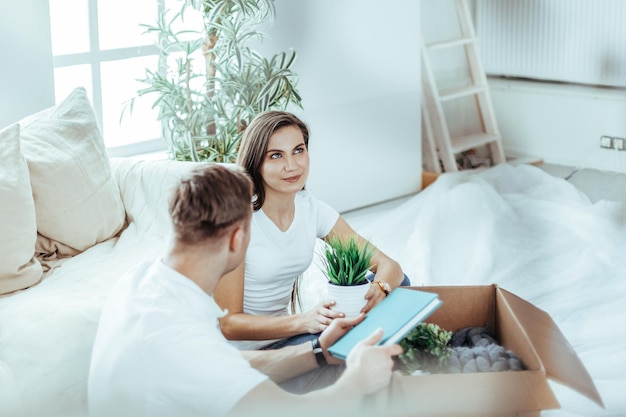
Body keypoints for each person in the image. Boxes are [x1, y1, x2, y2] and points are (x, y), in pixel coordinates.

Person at [87, 164, 402, 417]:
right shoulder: (182, 341)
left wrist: (319, 350)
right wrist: (357, 380)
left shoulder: (140, 281)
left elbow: (224, 365)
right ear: (237, 240)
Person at [214, 110, 410, 354]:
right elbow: (229, 325)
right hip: (247, 352)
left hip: (292, 335)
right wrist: (305, 321)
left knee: (399, 285)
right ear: (257, 164)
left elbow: (390, 266)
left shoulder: (311, 208)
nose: (292, 165)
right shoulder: (237, 221)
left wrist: (379, 289)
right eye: (276, 155)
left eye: (299, 150)